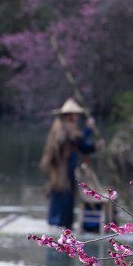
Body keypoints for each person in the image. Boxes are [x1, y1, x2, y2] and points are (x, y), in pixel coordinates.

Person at [39, 97, 97, 229]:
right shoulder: (62, 125)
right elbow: (76, 139)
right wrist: (88, 128)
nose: (76, 116)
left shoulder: (71, 126)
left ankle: (65, 222)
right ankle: (58, 221)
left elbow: (80, 144)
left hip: (70, 165)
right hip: (62, 167)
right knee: (62, 192)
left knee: (68, 193)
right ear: (70, 114)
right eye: (75, 114)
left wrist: (93, 146)